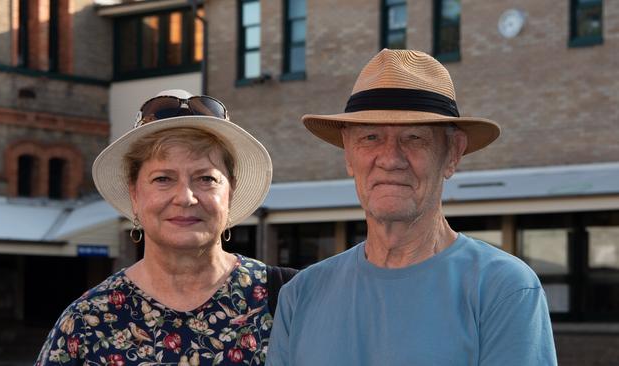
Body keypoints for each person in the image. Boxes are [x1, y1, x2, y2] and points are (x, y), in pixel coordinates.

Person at [265, 49, 558, 365]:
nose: (390, 159)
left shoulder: (503, 290)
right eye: (371, 137)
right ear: (348, 154)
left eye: (414, 138)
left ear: (453, 154)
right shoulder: (301, 295)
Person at [36, 89, 296, 365]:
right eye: (163, 179)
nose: (185, 197)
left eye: (206, 178)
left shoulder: (291, 300)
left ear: (230, 192)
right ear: (134, 194)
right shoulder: (86, 323)